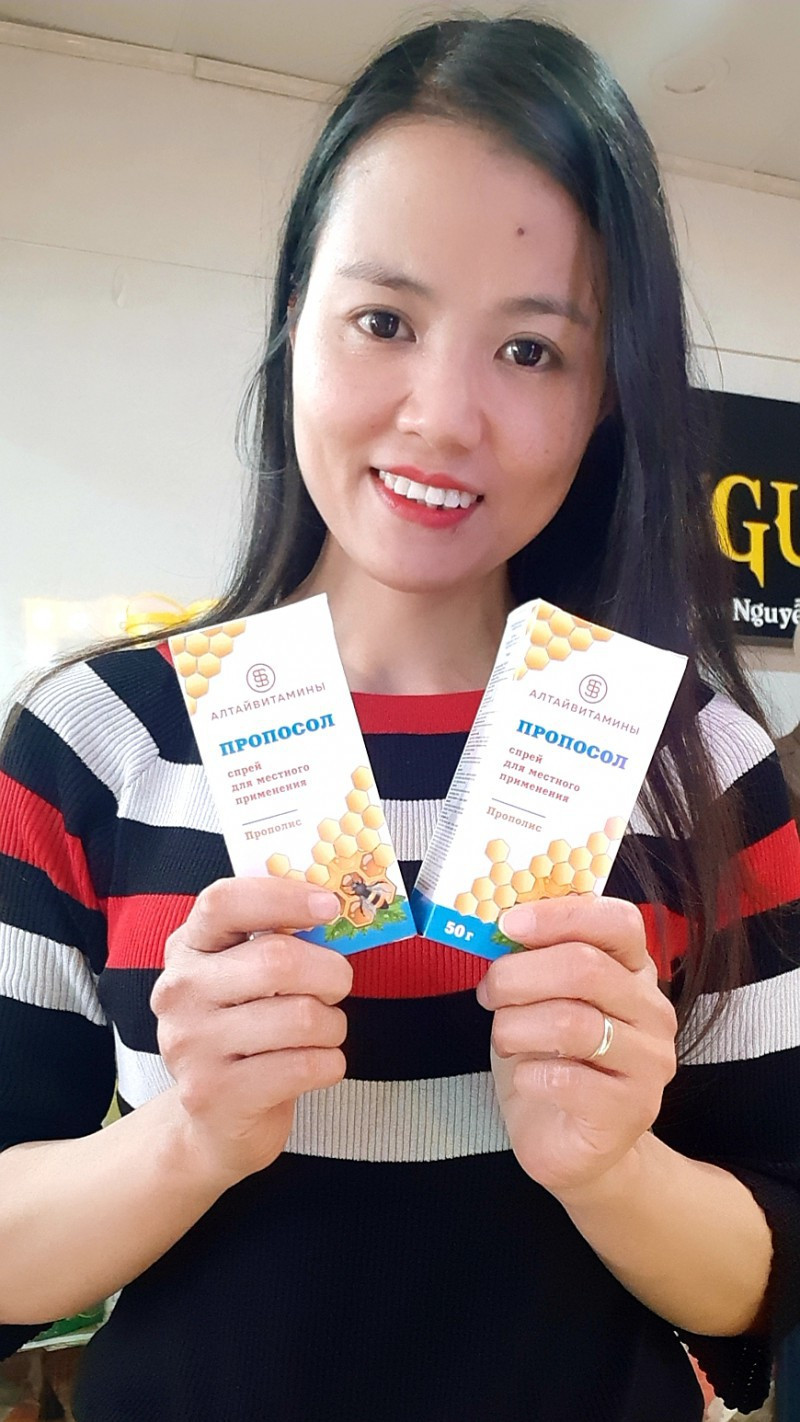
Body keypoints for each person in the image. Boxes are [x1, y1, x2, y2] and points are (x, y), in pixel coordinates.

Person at [0, 15, 798, 1422]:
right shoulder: (93, 741)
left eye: (532, 351)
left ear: (607, 397)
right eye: (385, 321)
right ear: (292, 319)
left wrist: (615, 1168)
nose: (442, 416)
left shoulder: (705, 766)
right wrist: (186, 1137)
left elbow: (768, 1269)